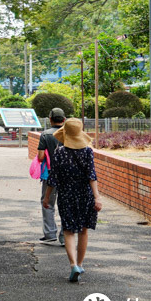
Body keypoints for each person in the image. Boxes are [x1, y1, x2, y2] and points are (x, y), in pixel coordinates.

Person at [43, 117, 103, 282]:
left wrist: (47, 198)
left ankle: (73, 265)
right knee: (83, 230)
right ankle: (81, 263)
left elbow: (53, 178)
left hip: (66, 195)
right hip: (85, 194)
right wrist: (97, 197)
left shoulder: (60, 152)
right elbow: (92, 176)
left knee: (69, 231)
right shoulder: (87, 152)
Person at [37, 108, 66, 246]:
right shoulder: (69, 133)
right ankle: (65, 237)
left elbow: (41, 156)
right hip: (67, 175)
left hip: (50, 174)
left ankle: (49, 233)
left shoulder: (45, 134)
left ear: (50, 119)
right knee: (66, 204)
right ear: (64, 120)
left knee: (47, 202)